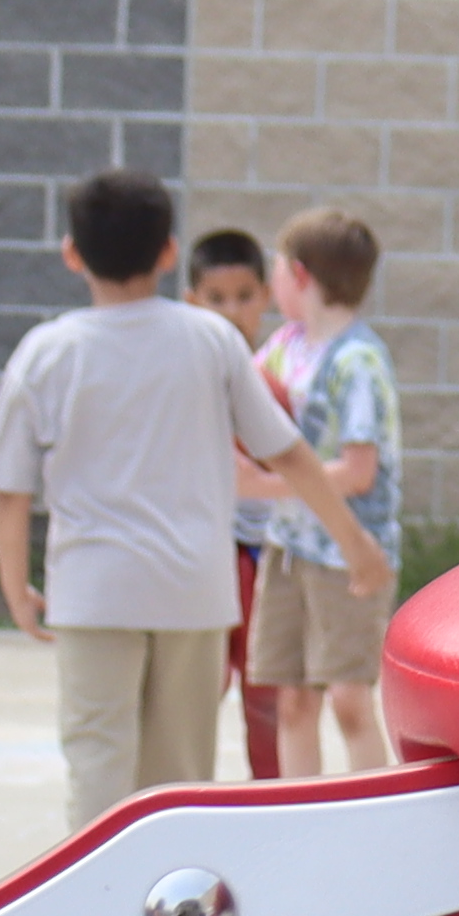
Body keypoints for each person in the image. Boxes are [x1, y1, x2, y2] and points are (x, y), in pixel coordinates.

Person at [0, 169, 388, 833]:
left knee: (98, 772)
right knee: (177, 786)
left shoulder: (47, 352)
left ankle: (97, 915)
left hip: (93, 593)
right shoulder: (212, 340)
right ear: (169, 252)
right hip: (193, 591)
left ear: (72, 254)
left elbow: (8, 492)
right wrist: (354, 542)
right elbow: (286, 453)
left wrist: (16, 587)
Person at [245, 209, 403, 780]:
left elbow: (359, 472)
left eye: (278, 271)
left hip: (346, 550)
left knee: (349, 697)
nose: (273, 285)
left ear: (302, 276)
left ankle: (369, 813)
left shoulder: (358, 361)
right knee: (292, 697)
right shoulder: (282, 347)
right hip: (290, 545)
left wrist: (264, 485)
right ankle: (301, 812)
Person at [184, 226, 282, 780]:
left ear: (265, 296)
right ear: (192, 301)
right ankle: (185, 792)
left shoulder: (275, 373)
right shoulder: (189, 375)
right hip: (209, 549)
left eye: (244, 297)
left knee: (264, 691)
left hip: (267, 551)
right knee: (201, 683)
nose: (231, 311)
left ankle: (268, 796)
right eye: (216, 299)